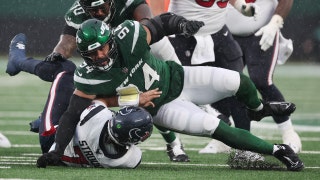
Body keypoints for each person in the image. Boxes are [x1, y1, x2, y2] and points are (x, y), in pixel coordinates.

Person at [35, 14, 303, 171]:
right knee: (213, 125)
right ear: (85, 54)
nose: (101, 55)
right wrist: (58, 150)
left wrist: (181, 25)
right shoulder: (89, 76)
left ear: (110, 40)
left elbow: (159, 23)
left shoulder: (127, 34)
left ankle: (259, 110)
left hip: (178, 77)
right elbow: (72, 113)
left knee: (238, 82)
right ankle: (278, 149)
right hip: (162, 108)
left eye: (103, 47)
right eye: (92, 53)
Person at [6, 0, 189, 162]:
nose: (99, 13)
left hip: (131, 51)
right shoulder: (126, 158)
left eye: (102, 7)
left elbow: (78, 111)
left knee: (66, 72)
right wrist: (57, 55)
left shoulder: (124, 156)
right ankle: (174, 142)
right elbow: (99, 103)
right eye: (93, 10)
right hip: (111, 62)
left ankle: (19, 61)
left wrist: (132, 45)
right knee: (61, 66)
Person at [166, 0, 259, 153]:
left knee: (238, 89)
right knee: (182, 91)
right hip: (184, 37)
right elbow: (156, 11)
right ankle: (177, 144)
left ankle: (246, 147)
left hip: (219, 34)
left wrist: (244, 8)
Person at [224, 0, 301, 153]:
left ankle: (288, 133)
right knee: (228, 82)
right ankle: (239, 140)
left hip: (262, 30)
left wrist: (275, 22)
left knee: (261, 80)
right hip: (227, 33)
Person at [39, 102, 153, 168]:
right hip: (53, 144)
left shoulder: (98, 115)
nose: (108, 139)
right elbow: (70, 116)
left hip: (52, 150)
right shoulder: (130, 160)